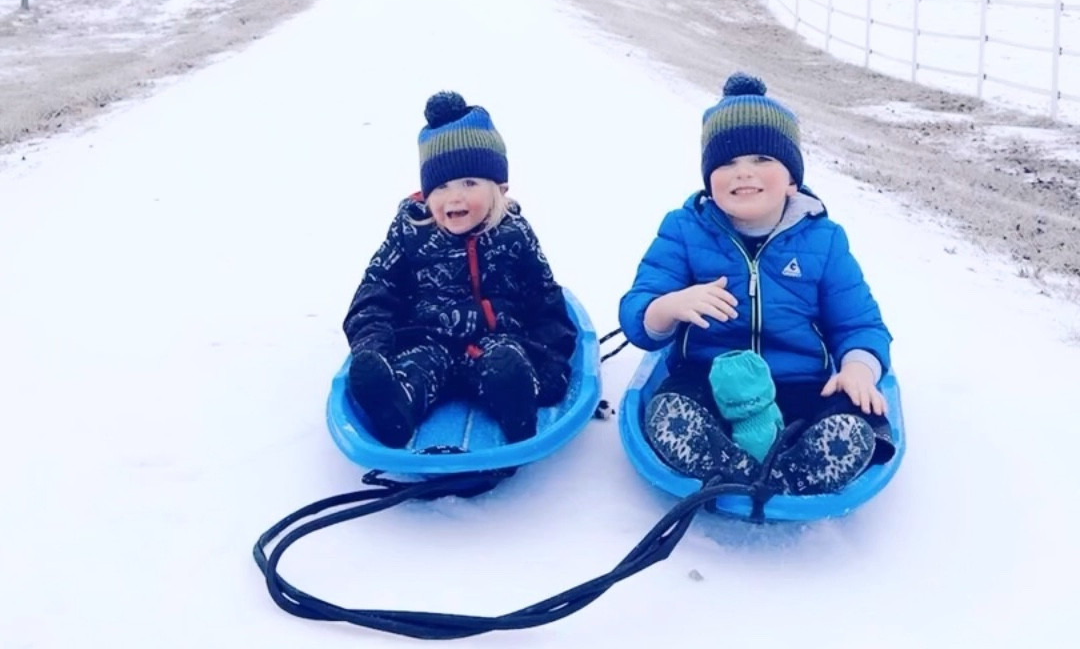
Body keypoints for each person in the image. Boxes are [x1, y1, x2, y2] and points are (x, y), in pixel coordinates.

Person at [618, 73, 893, 494]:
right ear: (709, 178)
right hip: (709, 381)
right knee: (668, 414)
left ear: (792, 179)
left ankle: (790, 472)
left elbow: (859, 324)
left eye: (762, 159)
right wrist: (669, 306)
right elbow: (639, 313)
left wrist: (857, 369)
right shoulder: (684, 230)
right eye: (726, 162)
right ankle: (738, 468)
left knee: (856, 427)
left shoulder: (824, 240)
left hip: (802, 385)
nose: (743, 173)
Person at [343, 91, 576, 447]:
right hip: (428, 338)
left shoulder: (514, 232)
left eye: (469, 183)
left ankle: (517, 403)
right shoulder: (411, 231)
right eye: (441, 186)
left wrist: (551, 361)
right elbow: (377, 289)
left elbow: (543, 296)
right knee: (415, 370)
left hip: (497, 341)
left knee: (506, 364)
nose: (454, 197)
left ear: (498, 188)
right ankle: (395, 408)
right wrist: (373, 347)